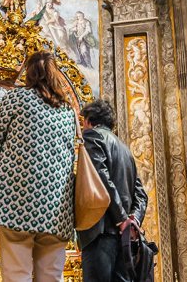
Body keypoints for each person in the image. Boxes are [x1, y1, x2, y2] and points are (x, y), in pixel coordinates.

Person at [0, 52, 78, 280]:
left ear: (29, 73)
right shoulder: (68, 111)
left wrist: (8, 173)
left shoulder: (16, 98)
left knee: (17, 274)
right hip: (57, 207)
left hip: (17, 200)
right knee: (51, 276)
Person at [78, 99, 148, 282]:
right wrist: (133, 220)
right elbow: (141, 194)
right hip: (124, 237)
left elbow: (102, 180)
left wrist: (122, 219)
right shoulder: (125, 149)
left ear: (88, 120)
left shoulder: (92, 136)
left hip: (101, 231)